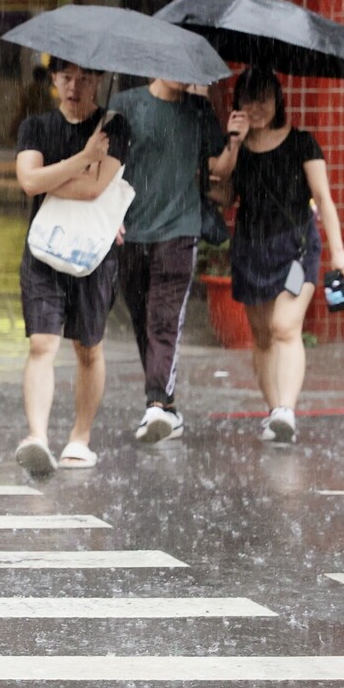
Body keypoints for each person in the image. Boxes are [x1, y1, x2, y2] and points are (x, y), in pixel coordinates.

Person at [214, 66, 344, 444]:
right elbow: (222, 195)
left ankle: (287, 409)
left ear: (278, 101)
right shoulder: (235, 148)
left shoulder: (302, 143)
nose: (257, 107)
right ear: (238, 104)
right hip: (251, 247)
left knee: (285, 328)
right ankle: (275, 410)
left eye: (265, 98)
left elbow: (323, 198)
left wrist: (338, 249)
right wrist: (234, 143)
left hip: (295, 249)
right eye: (249, 99)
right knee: (261, 336)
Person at [13, 59, 131, 475]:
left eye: (84, 77)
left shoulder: (116, 128)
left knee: (88, 347)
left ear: (99, 79)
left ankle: (80, 438)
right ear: (54, 80)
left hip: (94, 254)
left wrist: (49, 178)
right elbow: (28, 182)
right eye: (66, 77)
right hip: (43, 250)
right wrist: (84, 155)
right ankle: (37, 437)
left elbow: (95, 188)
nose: (74, 86)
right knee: (42, 343)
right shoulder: (36, 126)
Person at [111, 76, 240, 443]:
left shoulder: (199, 111)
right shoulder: (127, 105)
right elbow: (109, 164)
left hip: (179, 230)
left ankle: (155, 404)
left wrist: (235, 138)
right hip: (132, 230)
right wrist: (110, 212)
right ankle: (166, 406)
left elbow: (219, 170)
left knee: (164, 320)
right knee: (142, 319)